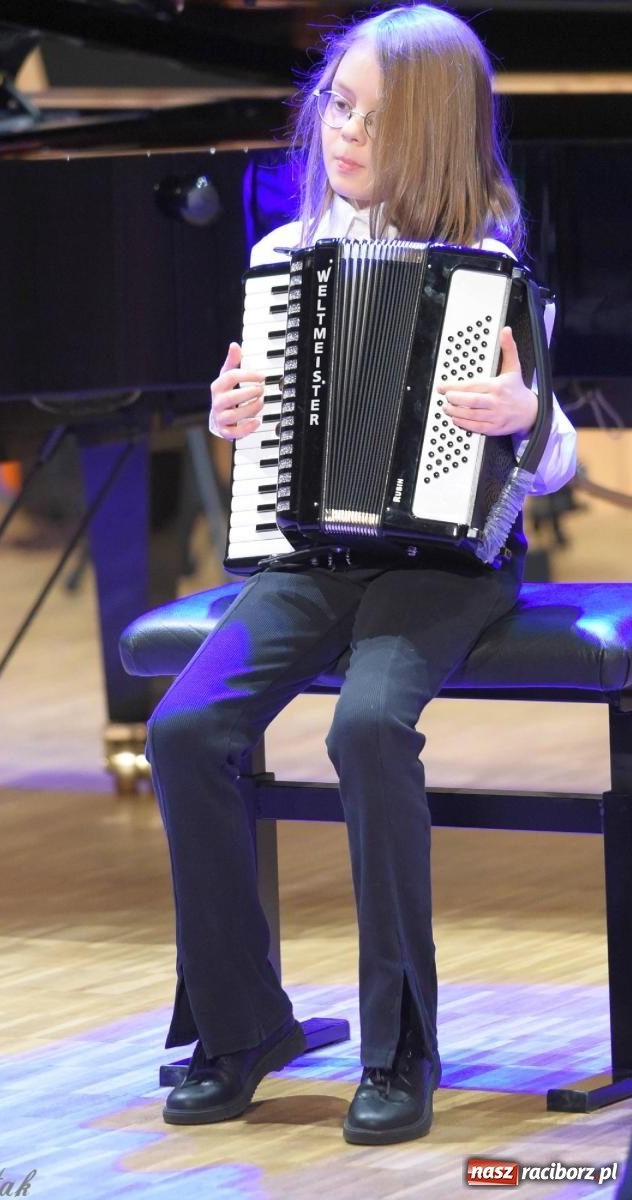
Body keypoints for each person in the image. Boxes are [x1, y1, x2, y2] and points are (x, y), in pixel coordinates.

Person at [146, 1, 577, 1145]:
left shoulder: (484, 271)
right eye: (335, 104)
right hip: (312, 559)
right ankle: (242, 1028)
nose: (341, 131)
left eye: (373, 120)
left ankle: (398, 1049)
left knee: (364, 729)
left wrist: (521, 415)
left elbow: (556, 452)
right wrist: (227, 419)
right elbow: (256, 449)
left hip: (445, 567)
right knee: (185, 731)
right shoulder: (284, 261)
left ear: (431, 136)